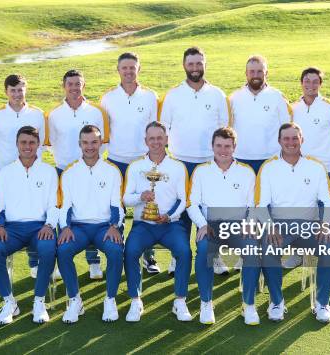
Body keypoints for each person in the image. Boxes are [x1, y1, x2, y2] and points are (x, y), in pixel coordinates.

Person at [159, 46, 231, 275]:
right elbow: (164, 128)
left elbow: (225, 128)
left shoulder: (217, 94)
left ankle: (215, 255)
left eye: (199, 63)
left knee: (211, 211)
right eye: (191, 64)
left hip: (210, 162)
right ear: (184, 65)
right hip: (181, 161)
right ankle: (176, 257)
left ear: (205, 65)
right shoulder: (173, 95)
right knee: (179, 212)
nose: (195, 68)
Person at [256, 122, 330, 323]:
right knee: (268, 251)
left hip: (310, 225)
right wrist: (269, 225)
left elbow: (328, 201)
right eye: (286, 138)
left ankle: (322, 303)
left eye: (295, 138)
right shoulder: (268, 167)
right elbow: (260, 204)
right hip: (279, 226)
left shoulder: (316, 166)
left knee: (329, 250)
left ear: (302, 140)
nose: (291, 142)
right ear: (279, 141)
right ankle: (276, 302)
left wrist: (325, 223)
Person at [0, 126, 59, 325]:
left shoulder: (49, 171)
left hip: (40, 228)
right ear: (17, 144)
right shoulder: (6, 172)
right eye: (23, 142)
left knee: (48, 249)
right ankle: (9, 302)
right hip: (11, 229)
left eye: (32, 142)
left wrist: (49, 225)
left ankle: (39, 302)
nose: (27, 146)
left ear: (38, 145)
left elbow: (55, 205)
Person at [187, 127, 260, 325]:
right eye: (219, 145)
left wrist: (249, 225)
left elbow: (253, 205)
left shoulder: (247, 172)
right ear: (212, 146)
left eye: (227, 146)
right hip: (210, 226)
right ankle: (206, 302)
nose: (223, 150)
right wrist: (202, 224)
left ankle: (249, 304)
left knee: (252, 250)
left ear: (234, 147)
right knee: (203, 250)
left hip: (238, 226)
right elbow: (191, 203)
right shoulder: (201, 171)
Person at [123, 122, 192, 322]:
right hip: (143, 224)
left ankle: (180, 300)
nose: (156, 142)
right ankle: (135, 300)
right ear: (146, 141)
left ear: (166, 139)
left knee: (184, 251)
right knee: (130, 251)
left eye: (159, 138)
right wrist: (140, 197)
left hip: (171, 224)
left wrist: (169, 216)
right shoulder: (136, 167)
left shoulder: (178, 167)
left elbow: (183, 200)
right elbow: (126, 199)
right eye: (151, 138)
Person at [56, 125, 125, 323]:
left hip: (105, 226)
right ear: (79, 144)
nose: (90, 146)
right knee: (63, 250)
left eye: (94, 142)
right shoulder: (69, 172)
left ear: (101, 144)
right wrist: (66, 227)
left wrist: (114, 225)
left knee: (115, 250)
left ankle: (110, 300)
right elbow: (64, 205)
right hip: (78, 227)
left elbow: (117, 205)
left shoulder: (112, 171)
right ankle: (75, 300)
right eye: (85, 142)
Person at [101, 52, 161, 274]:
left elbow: (156, 130)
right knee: (116, 210)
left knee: (146, 208)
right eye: (124, 68)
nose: (128, 71)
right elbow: (104, 132)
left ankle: (149, 257)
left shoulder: (150, 96)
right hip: (116, 160)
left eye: (132, 67)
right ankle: (117, 255)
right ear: (118, 70)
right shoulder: (108, 98)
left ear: (139, 69)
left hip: (143, 161)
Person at [47, 69, 109, 279]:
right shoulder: (54, 114)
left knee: (89, 214)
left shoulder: (96, 112)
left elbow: (104, 141)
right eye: (70, 84)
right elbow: (50, 144)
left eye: (78, 84)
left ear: (84, 85)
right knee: (61, 215)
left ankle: (93, 261)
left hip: (90, 169)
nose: (74, 88)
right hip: (63, 170)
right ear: (63, 86)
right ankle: (56, 261)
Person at [284, 67, 330, 269]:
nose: (310, 85)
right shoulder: (292, 109)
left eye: (315, 81)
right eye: (307, 81)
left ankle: (327, 254)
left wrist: (327, 159)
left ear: (320, 84)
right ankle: (298, 254)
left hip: (323, 171)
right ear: (301, 83)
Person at [0, 74, 46, 278]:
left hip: (34, 172)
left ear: (25, 90)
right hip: (8, 174)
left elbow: (43, 142)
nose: (17, 94)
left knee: (34, 214)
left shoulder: (37, 114)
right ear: (6, 92)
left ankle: (35, 261)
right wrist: (6, 164)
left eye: (20, 89)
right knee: (12, 215)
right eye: (13, 90)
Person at [229, 54, 292, 175]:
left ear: (266, 73)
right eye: (252, 72)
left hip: (271, 159)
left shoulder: (278, 97)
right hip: (241, 158)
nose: (256, 75)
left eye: (260, 71)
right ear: (246, 73)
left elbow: (287, 127)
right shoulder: (234, 98)